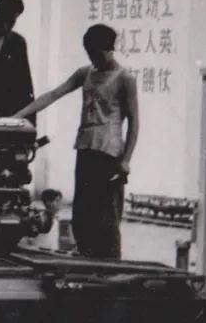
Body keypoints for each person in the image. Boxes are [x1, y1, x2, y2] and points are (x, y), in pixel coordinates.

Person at [12, 24, 139, 259]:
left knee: (107, 218)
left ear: (109, 49)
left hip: (109, 154)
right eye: (89, 53)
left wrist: (126, 160)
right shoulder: (85, 73)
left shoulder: (125, 79)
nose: (93, 58)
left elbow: (134, 121)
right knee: (82, 214)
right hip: (85, 149)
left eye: (96, 53)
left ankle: (109, 267)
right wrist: (19, 116)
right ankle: (86, 261)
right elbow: (54, 94)